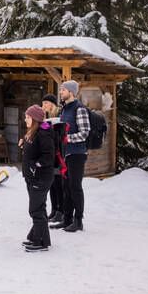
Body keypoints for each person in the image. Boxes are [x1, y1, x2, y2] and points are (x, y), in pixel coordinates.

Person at [52, 80, 90, 233]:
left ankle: (78, 221)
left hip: (77, 153)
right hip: (65, 154)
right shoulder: (64, 109)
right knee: (66, 187)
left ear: (71, 92)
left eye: (63, 90)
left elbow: (85, 132)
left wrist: (68, 138)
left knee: (75, 187)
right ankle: (66, 219)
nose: (60, 92)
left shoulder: (79, 109)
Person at [21, 104, 56, 252]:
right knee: (39, 208)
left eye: (28, 117)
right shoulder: (33, 132)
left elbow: (49, 156)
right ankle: (39, 237)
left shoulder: (43, 133)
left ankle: (40, 242)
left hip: (40, 177)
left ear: (35, 119)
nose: (25, 119)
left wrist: (35, 165)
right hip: (33, 177)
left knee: (35, 210)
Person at [41, 94, 66, 222]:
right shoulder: (47, 117)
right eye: (43, 103)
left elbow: (61, 134)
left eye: (46, 103)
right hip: (51, 154)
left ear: (52, 104)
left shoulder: (60, 114)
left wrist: (49, 127)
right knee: (51, 184)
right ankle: (54, 210)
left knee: (58, 184)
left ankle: (61, 211)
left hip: (59, 154)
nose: (43, 106)